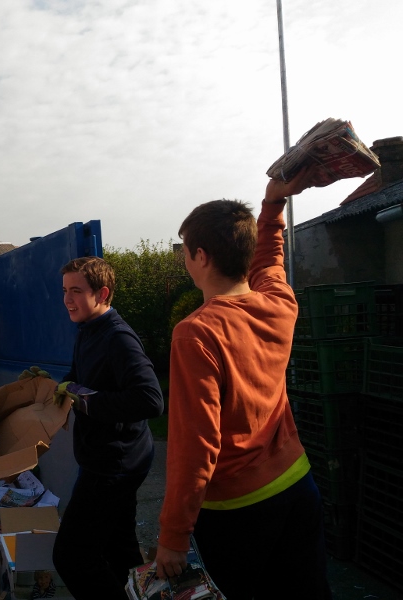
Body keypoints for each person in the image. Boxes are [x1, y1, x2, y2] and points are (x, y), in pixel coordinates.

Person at [155, 168, 332, 599]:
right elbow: (270, 261)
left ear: (201, 257)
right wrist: (272, 204)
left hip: (238, 512)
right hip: (298, 486)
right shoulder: (279, 303)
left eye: (185, 251)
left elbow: (195, 444)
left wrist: (174, 535)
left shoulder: (196, 333)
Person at [52, 256, 164, 600]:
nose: (67, 299)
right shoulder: (87, 329)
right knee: (121, 550)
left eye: (76, 291)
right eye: (64, 290)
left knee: (72, 557)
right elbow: (79, 376)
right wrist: (53, 386)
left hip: (114, 465)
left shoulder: (118, 338)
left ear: (102, 293)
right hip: (106, 458)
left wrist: (83, 398)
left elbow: (150, 399)